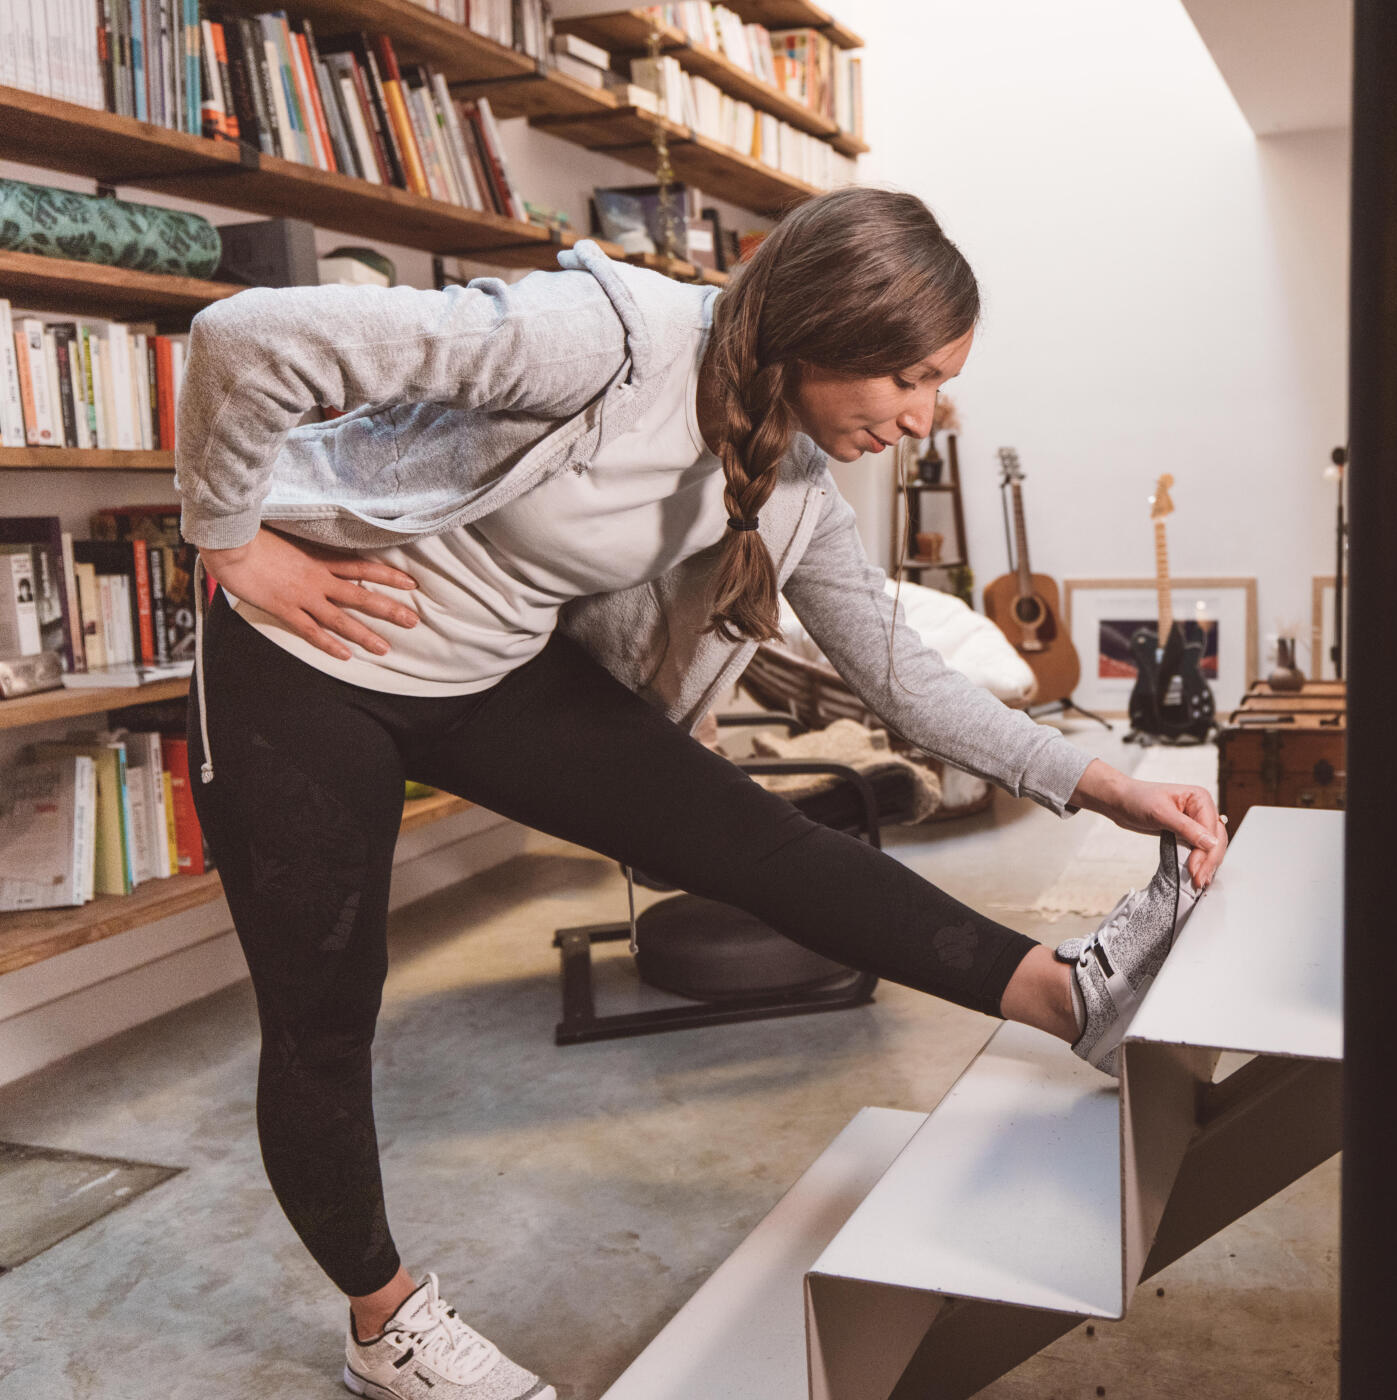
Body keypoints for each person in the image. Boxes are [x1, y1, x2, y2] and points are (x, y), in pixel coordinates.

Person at [176, 187, 1229, 1400]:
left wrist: (1106, 783)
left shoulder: (791, 486)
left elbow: (905, 677)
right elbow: (243, 337)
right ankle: (385, 1325)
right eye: (914, 378)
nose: (927, 417)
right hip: (306, 664)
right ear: (834, 323)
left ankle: (1066, 995)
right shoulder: (599, 339)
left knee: (760, 842)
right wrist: (231, 536)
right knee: (325, 1009)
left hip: (490, 672)